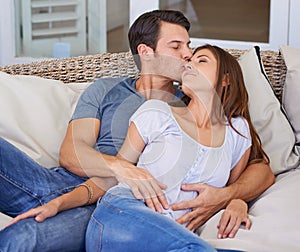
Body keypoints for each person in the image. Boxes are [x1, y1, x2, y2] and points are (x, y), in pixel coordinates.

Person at [0, 10, 274, 251]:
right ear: (146, 53)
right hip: (64, 184)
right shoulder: (107, 89)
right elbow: (72, 153)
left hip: (108, 206)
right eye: (176, 46)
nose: (187, 54)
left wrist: (232, 197)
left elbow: (258, 167)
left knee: (21, 239)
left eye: (189, 47)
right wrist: (122, 168)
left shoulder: (193, 103)